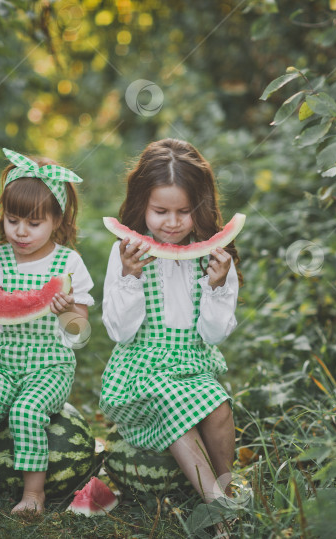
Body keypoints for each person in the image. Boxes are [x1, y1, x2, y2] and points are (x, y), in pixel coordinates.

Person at [0, 148, 94, 514]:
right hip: (4, 366)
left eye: (34, 223)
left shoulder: (69, 263)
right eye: (13, 220)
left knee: (26, 413)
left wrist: (65, 312)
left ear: (56, 221)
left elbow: (80, 331)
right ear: (3, 217)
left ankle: (33, 496)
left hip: (51, 368)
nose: (21, 232)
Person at [100, 139, 243, 516]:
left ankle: (228, 483)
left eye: (185, 211)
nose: (173, 222)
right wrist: (130, 278)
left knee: (220, 409)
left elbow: (214, 335)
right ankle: (219, 508)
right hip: (140, 370)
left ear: (202, 206)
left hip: (193, 365)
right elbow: (119, 332)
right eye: (160, 211)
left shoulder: (214, 257)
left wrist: (216, 287)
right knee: (175, 405)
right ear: (141, 206)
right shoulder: (125, 255)